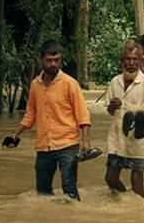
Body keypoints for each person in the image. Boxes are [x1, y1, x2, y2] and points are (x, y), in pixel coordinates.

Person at [6, 40, 91, 201]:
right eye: (49, 60)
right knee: (42, 192)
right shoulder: (35, 85)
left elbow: (83, 114)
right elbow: (30, 114)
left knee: (69, 189)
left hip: (68, 144)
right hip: (44, 146)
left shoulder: (70, 84)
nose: (53, 64)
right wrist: (15, 135)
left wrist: (85, 142)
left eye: (57, 60)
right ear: (41, 60)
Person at [105, 41, 144, 198]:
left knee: (136, 180)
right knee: (110, 178)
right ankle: (123, 201)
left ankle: (140, 211)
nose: (131, 63)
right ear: (122, 60)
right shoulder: (115, 82)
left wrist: (141, 115)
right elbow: (109, 111)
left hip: (139, 139)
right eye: (128, 59)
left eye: (135, 59)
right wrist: (112, 106)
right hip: (118, 137)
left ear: (141, 60)